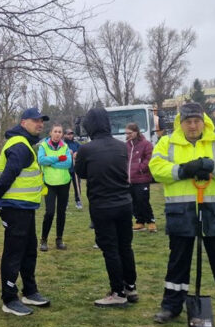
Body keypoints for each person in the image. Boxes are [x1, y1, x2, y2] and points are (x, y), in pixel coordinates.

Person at [148, 103, 215, 327]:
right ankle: (170, 307)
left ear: (203, 121)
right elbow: (156, 168)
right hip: (181, 211)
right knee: (178, 261)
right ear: (181, 123)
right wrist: (182, 171)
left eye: (197, 121)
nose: (193, 125)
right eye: (188, 122)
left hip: (214, 211)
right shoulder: (167, 142)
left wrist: (210, 165)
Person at [0, 108, 52, 316]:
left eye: (41, 121)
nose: (40, 124)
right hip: (15, 209)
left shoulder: (25, 144)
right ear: (24, 123)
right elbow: (9, 176)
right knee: (15, 253)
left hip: (26, 208)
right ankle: (9, 298)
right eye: (35, 121)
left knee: (29, 250)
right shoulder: (20, 146)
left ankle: (29, 291)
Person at [75, 108, 138, 307]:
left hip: (102, 205)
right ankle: (131, 287)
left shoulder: (86, 149)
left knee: (110, 249)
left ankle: (117, 291)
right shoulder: (122, 146)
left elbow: (81, 173)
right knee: (125, 246)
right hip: (124, 203)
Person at [38, 124, 73, 251]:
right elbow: (41, 160)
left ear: (62, 134)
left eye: (60, 132)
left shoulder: (65, 146)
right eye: (55, 131)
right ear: (50, 133)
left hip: (64, 182)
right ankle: (44, 240)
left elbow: (68, 163)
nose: (57, 134)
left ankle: (59, 239)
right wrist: (58, 158)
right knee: (50, 212)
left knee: (61, 213)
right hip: (49, 183)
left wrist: (51, 163)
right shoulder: (43, 146)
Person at [124, 122, 156, 232]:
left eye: (129, 132)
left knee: (143, 200)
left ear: (136, 132)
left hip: (142, 179)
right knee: (133, 202)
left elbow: (149, 158)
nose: (127, 135)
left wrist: (141, 168)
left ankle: (151, 221)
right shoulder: (126, 145)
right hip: (129, 179)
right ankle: (139, 221)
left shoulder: (146, 144)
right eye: (126, 133)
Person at [63, 128, 83, 209]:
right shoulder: (63, 144)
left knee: (77, 185)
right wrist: (68, 152)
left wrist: (77, 153)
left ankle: (78, 201)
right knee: (65, 187)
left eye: (71, 134)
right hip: (66, 169)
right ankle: (65, 202)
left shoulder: (76, 144)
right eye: (68, 134)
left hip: (75, 169)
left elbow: (82, 151)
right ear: (64, 135)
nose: (70, 135)